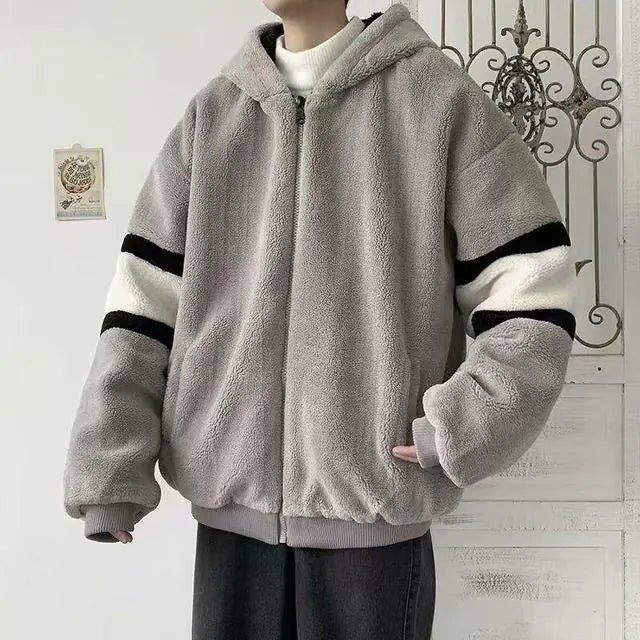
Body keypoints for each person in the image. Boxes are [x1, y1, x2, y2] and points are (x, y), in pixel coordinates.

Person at [62, 1, 577, 638]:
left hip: (372, 523)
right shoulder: (214, 115)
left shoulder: (438, 102)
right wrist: (109, 462)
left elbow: (532, 292)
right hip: (231, 523)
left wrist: (464, 425)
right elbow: (144, 306)